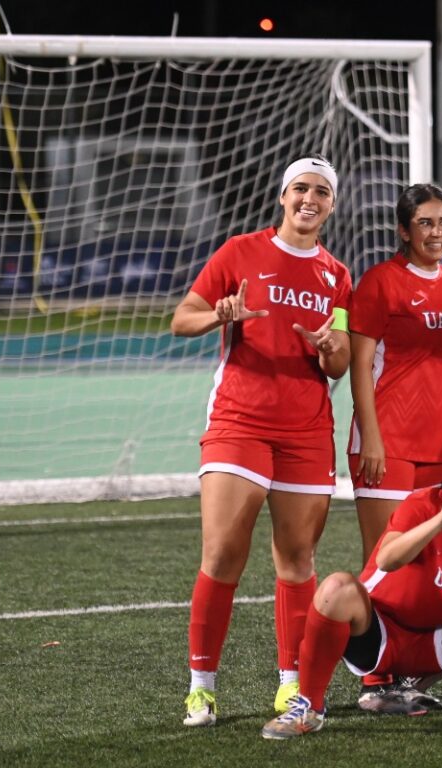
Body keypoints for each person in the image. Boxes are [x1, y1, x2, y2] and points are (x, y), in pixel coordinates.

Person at [171, 155, 351, 727]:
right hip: (239, 422)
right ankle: (202, 686)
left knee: (297, 559)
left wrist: (330, 347)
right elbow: (182, 317)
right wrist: (220, 315)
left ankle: (290, 684)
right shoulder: (239, 252)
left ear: (331, 204)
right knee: (223, 552)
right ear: (282, 196)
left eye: (321, 191)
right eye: (301, 188)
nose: (310, 199)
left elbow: (341, 363)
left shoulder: (338, 275)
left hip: (306, 431)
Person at [260, 423, 442, 738]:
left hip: (438, 645)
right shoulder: (424, 503)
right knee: (336, 589)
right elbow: (387, 559)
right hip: (378, 637)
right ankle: (308, 707)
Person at [346, 183, 442, 564]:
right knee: (383, 561)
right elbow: (360, 364)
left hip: (441, 445)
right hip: (388, 443)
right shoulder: (381, 280)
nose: (437, 233)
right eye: (424, 223)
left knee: (430, 564)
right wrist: (372, 440)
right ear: (403, 230)